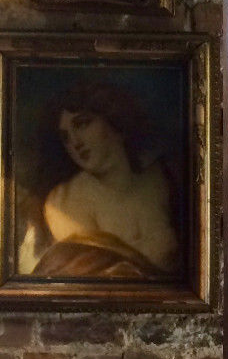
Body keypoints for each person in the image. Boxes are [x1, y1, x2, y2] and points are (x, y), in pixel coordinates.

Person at [19, 79, 180, 280]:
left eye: (82, 124)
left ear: (115, 122)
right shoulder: (65, 200)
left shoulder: (162, 176)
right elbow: (94, 277)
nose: (75, 142)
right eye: (65, 137)